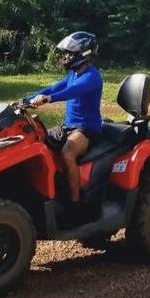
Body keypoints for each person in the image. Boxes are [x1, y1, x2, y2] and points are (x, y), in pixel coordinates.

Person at [27, 31, 103, 226]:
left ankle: (76, 206)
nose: (66, 57)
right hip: (68, 127)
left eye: (69, 54)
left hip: (86, 129)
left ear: (82, 54)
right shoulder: (73, 74)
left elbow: (71, 92)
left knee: (68, 153)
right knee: (38, 141)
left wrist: (49, 99)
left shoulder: (92, 77)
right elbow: (52, 89)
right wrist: (26, 100)